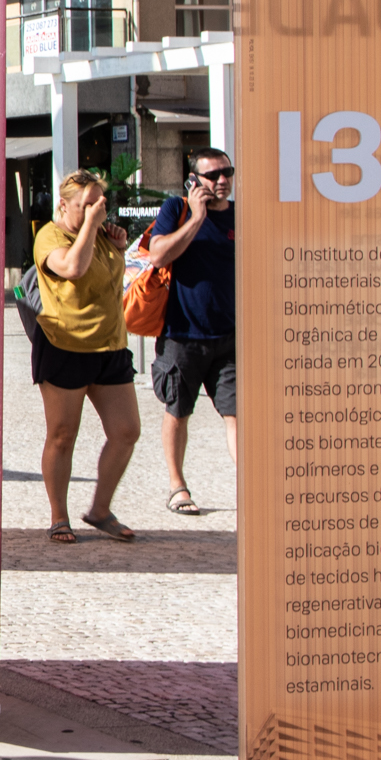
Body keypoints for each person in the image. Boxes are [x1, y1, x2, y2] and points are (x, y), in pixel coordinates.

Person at [32, 167, 141, 546]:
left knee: (127, 431)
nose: (96, 210)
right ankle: (59, 517)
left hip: (110, 346)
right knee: (63, 435)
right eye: (86, 205)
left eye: (100, 203)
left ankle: (100, 509)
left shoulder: (102, 236)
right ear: (64, 205)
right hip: (65, 345)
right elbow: (74, 269)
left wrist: (116, 244)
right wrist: (94, 227)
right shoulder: (51, 237)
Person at [146, 148, 237, 515]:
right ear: (193, 181)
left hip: (229, 337)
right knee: (178, 410)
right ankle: (177, 485)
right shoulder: (176, 210)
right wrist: (197, 218)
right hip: (182, 334)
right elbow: (158, 255)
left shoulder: (240, 215)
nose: (222, 181)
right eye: (213, 175)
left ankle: (247, 488)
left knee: (237, 415)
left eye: (227, 172)